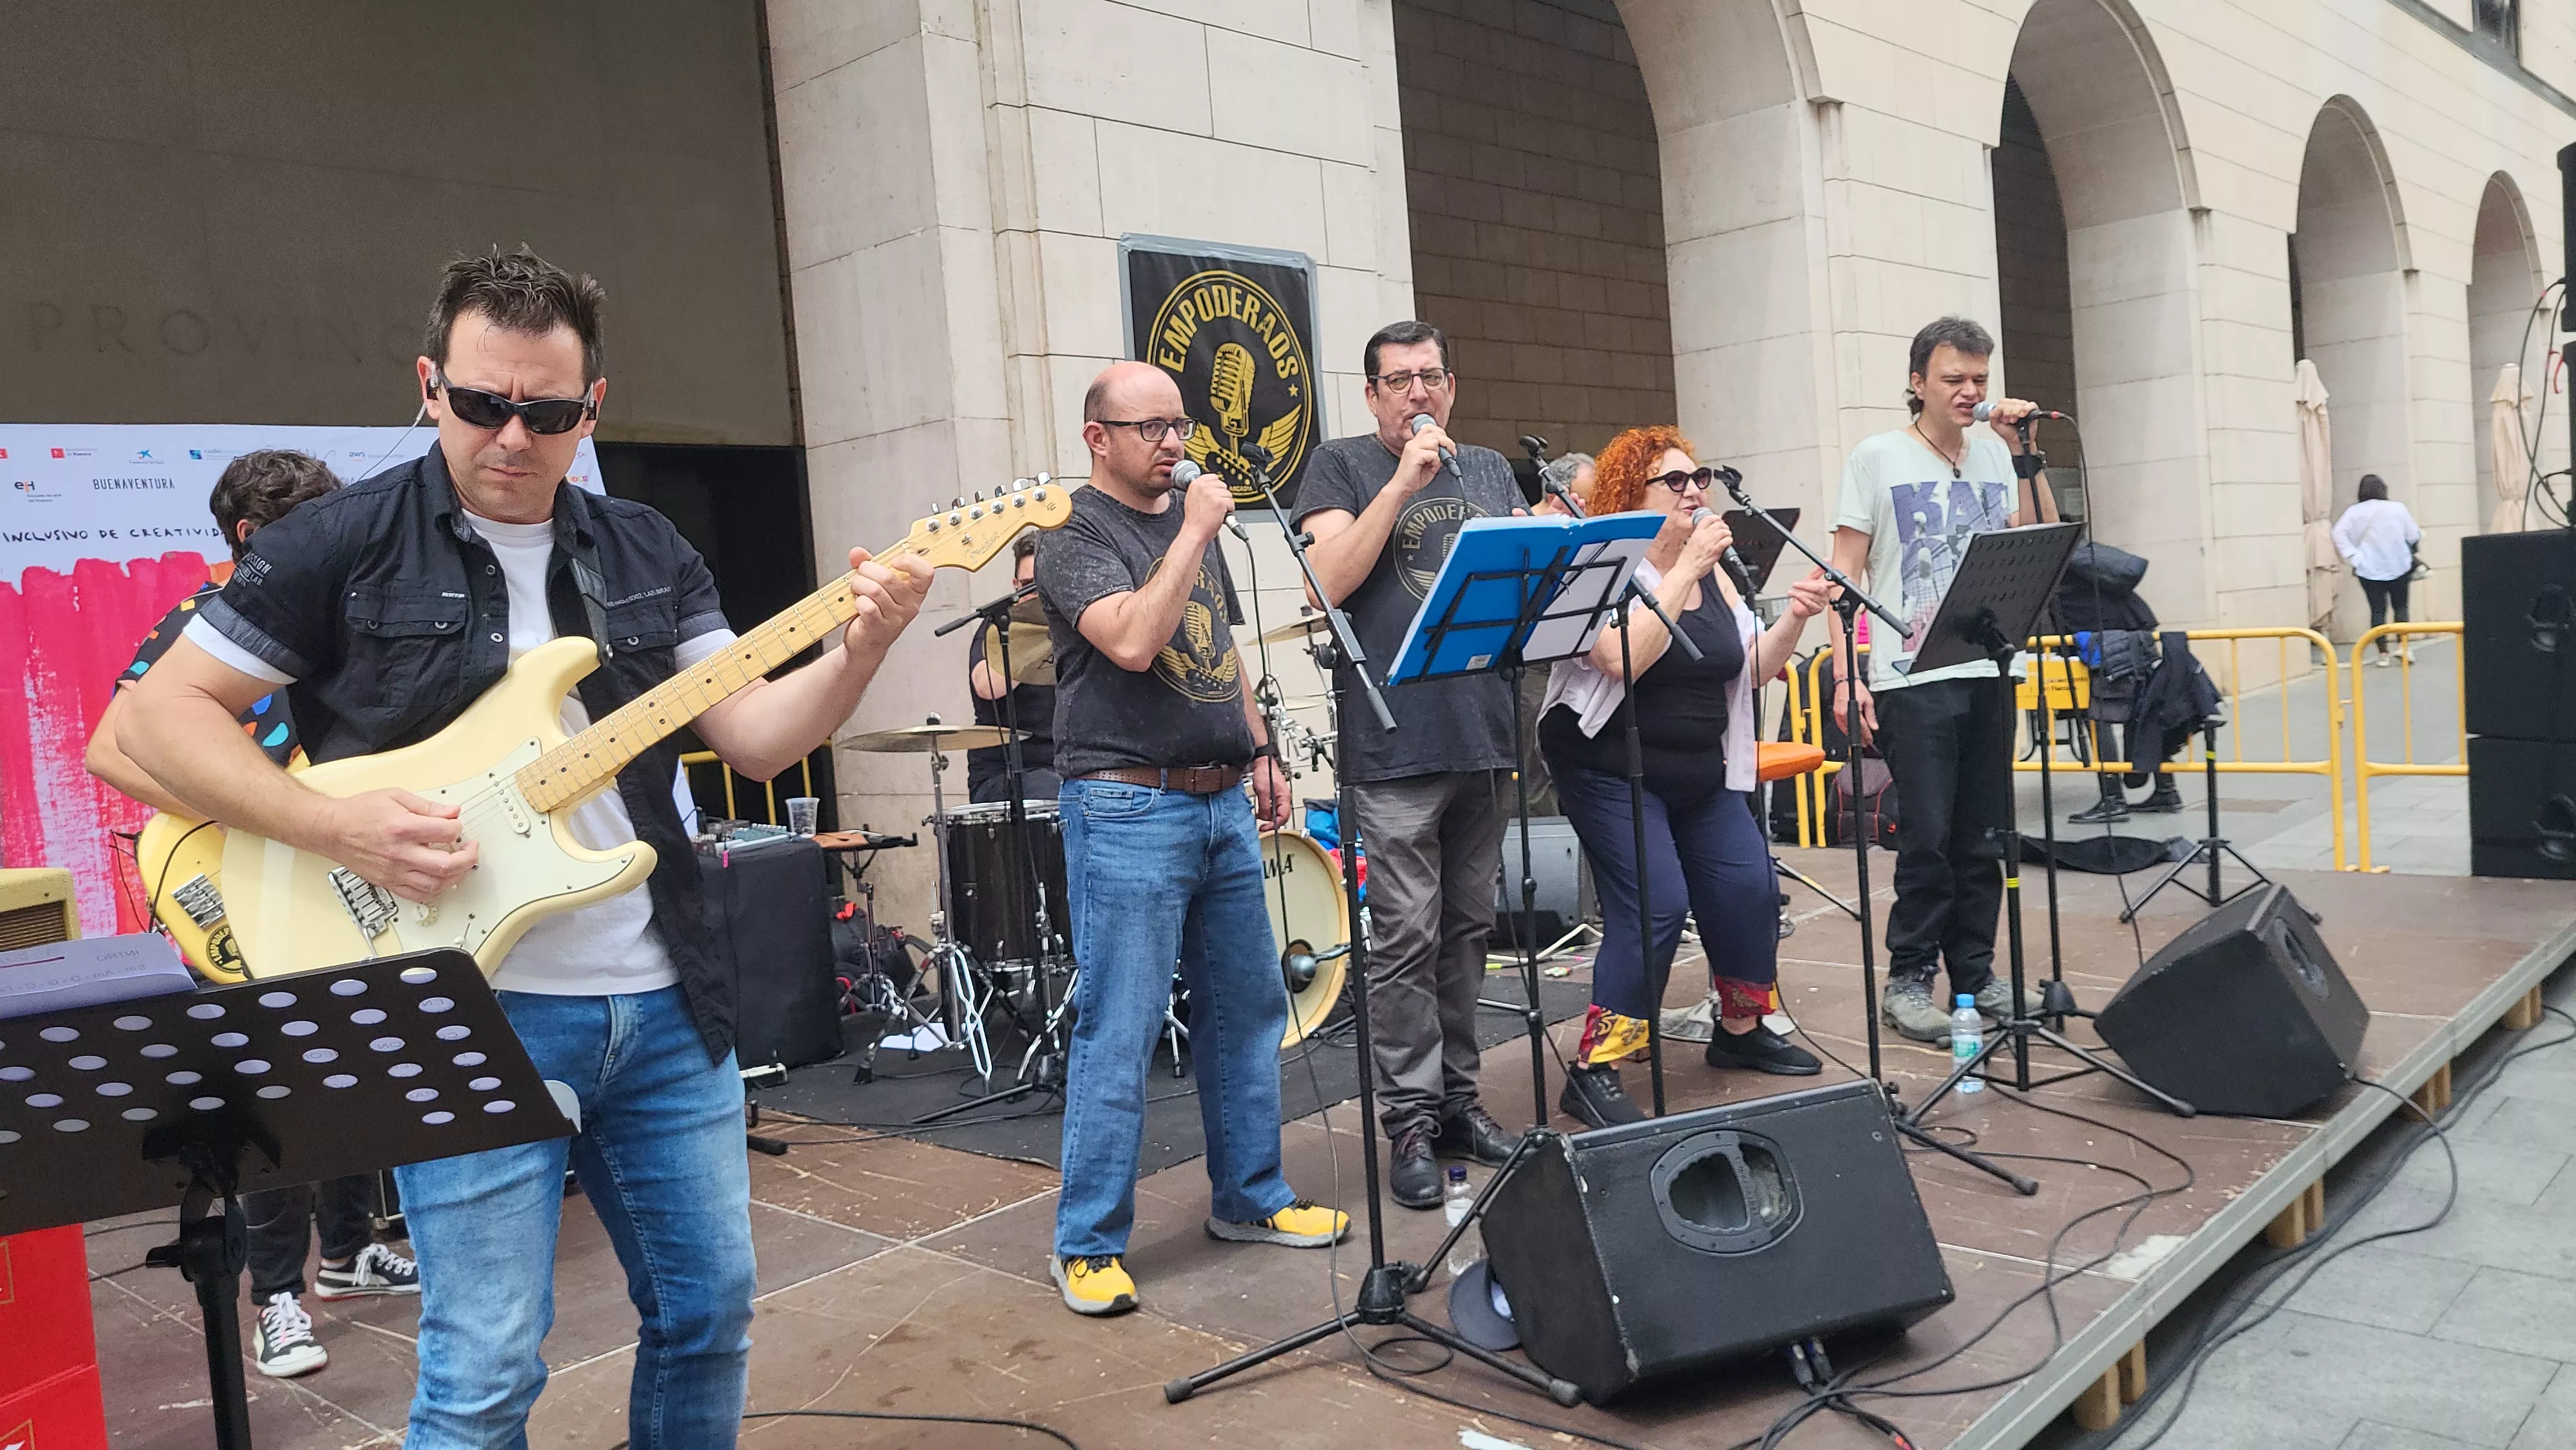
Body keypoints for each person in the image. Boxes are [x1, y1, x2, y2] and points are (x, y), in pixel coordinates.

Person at [117, 249, 933, 1449]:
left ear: (591, 408)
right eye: (482, 402)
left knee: (709, 1312)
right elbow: (151, 720)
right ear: (430, 385)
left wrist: (860, 650)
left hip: (665, 1000)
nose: (512, 434)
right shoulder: (341, 542)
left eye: (546, 412)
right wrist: (334, 824)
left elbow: (755, 738)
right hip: (467, 1008)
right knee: (487, 1369)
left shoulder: (647, 546)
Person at [86, 449, 421, 1381]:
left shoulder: (344, 618)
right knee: (275, 1091)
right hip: (251, 877)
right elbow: (110, 750)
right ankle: (277, 1297)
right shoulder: (202, 624)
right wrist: (252, 813)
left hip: (332, 873)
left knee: (363, 1063)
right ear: (252, 537)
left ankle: (350, 1253)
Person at [1036, 361, 1347, 1317]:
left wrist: (1259, 749)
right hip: (1128, 806)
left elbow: (1221, 650)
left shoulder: (1187, 523)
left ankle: (1251, 1198)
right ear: (1099, 438)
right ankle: (1086, 1243)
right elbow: (1133, 639)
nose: (1176, 442)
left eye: (1180, 423)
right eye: (1152, 427)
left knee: (1249, 1008)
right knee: (1119, 1030)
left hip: (1217, 801)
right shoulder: (1071, 537)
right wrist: (1200, 527)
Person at [1540, 428, 1832, 1125]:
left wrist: (1792, 618)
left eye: (1697, 477)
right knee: (1656, 901)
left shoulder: (1716, 572)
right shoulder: (1600, 566)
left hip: (1700, 767)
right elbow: (1621, 660)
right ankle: (1595, 1068)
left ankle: (1739, 1031)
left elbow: (1748, 667)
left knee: (1749, 886)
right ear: (1629, 497)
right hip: (1607, 767)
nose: (1695, 490)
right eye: (1673, 481)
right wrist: (1685, 568)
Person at [1294, 321, 1522, 1209]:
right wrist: (1401, 483)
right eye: (1397, 381)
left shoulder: (1491, 469)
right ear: (1372, 395)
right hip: (1392, 746)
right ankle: (1411, 1125)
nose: (1416, 393)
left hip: (1483, 730)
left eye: (1429, 377)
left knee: (1469, 937)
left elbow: (1515, 583)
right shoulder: (1342, 465)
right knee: (1403, 943)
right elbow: (1330, 580)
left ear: (1451, 385)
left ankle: (1461, 1104)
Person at [1828, 316, 2060, 1044]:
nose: (1969, 392)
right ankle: (1907, 977)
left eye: (1980, 380)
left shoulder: (1995, 454)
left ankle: (1976, 971)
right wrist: (1847, 674)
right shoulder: (1877, 457)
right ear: (1917, 381)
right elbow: (1844, 575)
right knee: (1926, 834)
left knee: (1984, 833)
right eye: (1954, 378)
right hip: (1908, 672)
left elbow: (2043, 539)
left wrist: (2027, 454)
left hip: (1987, 663)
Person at [967, 532, 1059, 802]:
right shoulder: (1001, 627)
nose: (1036, 595)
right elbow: (987, 686)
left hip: (1070, 767)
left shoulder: (1077, 626)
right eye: (1028, 586)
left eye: (1044, 586)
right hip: (1008, 774)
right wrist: (1034, 633)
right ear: (1015, 585)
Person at [2334, 474, 2423, 667]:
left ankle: (2383, 654)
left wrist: (2353, 556)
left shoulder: (2354, 512)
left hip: (2368, 567)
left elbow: (2338, 533)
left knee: (2377, 610)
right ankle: (2403, 646)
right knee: (2401, 607)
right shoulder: (2397, 508)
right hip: (2399, 564)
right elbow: (2413, 534)